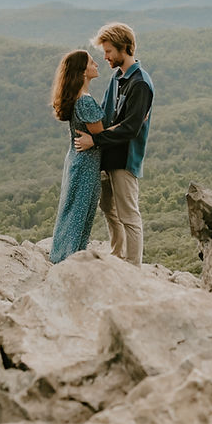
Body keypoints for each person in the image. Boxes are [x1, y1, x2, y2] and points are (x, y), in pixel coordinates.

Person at [73, 22, 153, 265]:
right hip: (108, 153)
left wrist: (94, 139)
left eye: (108, 51)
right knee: (109, 208)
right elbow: (108, 116)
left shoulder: (140, 83)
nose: (105, 57)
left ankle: (133, 267)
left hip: (125, 157)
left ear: (124, 48)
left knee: (129, 215)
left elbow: (129, 129)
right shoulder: (118, 78)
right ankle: (118, 254)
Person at [49, 49, 105, 263]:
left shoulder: (77, 98)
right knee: (80, 215)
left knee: (70, 209)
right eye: (92, 62)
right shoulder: (85, 102)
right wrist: (136, 122)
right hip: (86, 163)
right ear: (82, 72)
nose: (97, 64)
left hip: (76, 159)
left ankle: (61, 256)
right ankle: (70, 260)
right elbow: (102, 134)